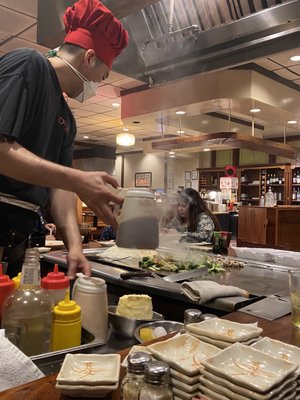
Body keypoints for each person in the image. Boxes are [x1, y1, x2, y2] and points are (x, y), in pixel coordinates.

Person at [0, 0, 128, 278]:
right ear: (89, 58)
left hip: (18, 235)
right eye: (102, 77)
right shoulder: (28, 63)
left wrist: (75, 246)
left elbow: (60, 189)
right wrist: (77, 179)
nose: (97, 85)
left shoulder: (66, 120)